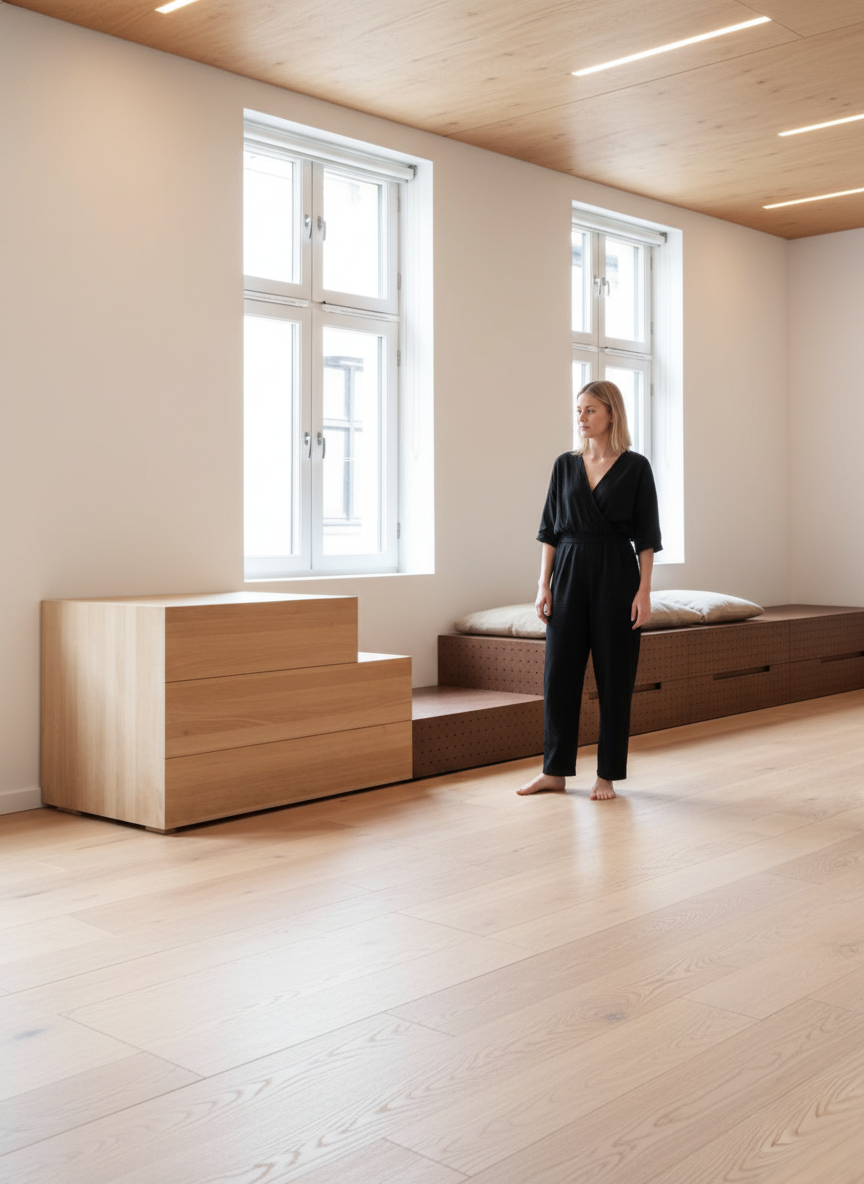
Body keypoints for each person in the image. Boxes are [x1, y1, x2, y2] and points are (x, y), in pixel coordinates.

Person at [517, 380, 662, 800]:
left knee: (615, 676)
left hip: (617, 574)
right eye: (578, 410)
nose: (581, 418)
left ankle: (607, 774)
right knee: (558, 674)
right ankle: (554, 770)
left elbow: (647, 537)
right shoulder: (564, 465)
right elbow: (549, 530)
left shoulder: (636, 468)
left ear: (611, 414)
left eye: (590, 410)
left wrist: (644, 591)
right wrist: (544, 584)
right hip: (568, 571)